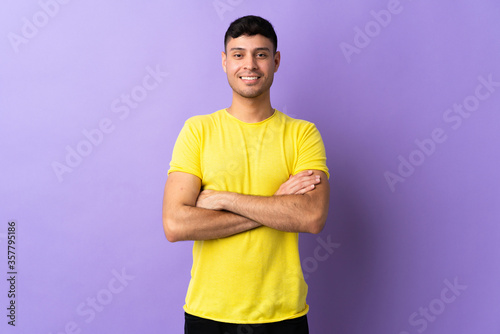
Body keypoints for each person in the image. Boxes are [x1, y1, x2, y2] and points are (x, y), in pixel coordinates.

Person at [162, 15, 330, 334]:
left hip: (283, 315)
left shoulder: (302, 134)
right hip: (209, 315)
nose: (249, 64)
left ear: (276, 61)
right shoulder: (198, 131)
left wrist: (224, 199)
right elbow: (175, 224)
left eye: (261, 54)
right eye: (238, 54)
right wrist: (277, 205)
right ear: (225, 61)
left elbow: (311, 217)